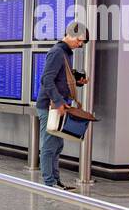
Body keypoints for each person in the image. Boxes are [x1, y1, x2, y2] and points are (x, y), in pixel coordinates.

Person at [35, 21, 89, 191]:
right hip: (50, 106)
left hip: (59, 105)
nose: (80, 45)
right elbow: (46, 79)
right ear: (71, 35)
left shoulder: (66, 53)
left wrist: (76, 82)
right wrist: (58, 102)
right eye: (80, 41)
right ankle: (49, 182)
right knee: (50, 145)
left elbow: (60, 78)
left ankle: (56, 181)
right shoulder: (57, 52)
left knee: (57, 145)